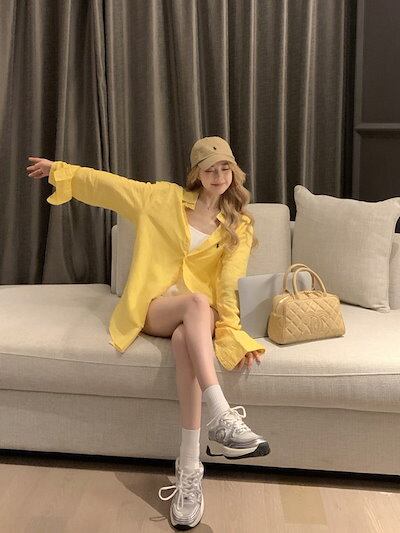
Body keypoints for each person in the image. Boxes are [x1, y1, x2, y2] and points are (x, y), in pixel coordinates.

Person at [26, 136, 269, 530]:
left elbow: (228, 286)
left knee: (188, 330)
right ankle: (222, 414)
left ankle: (189, 471)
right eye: (210, 168)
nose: (218, 176)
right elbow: (111, 187)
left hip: (200, 317)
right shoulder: (163, 199)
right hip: (158, 307)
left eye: (225, 168)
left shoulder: (239, 223)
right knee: (193, 303)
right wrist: (61, 171)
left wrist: (233, 334)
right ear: (196, 174)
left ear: (234, 172)